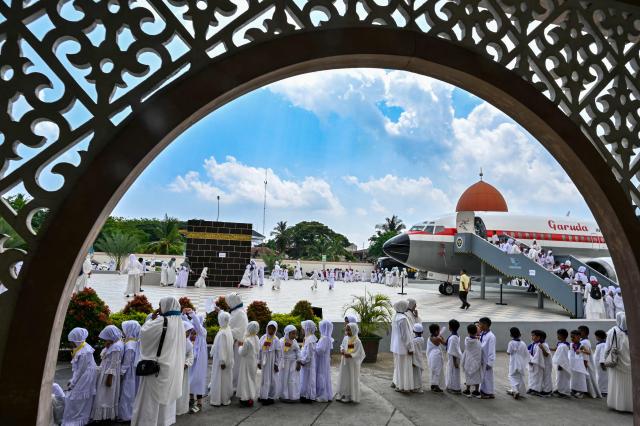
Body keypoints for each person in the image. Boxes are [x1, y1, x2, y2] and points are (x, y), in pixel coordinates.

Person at [131, 297, 185, 426]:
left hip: (156, 369)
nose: (159, 309)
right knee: (165, 402)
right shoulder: (179, 323)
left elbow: (143, 333)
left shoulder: (161, 321)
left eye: (160, 306)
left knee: (150, 402)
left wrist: (151, 319)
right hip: (171, 368)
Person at [63, 328, 97, 426]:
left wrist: (73, 383)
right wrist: (72, 380)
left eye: (72, 341)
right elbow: (78, 369)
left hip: (86, 376)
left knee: (77, 398)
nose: (70, 344)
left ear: (77, 340)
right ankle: (75, 418)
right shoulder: (81, 347)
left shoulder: (84, 351)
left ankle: (76, 420)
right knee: (78, 398)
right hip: (84, 374)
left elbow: (81, 370)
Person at [92, 325, 123, 421]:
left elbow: (114, 363)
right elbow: (105, 356)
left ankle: (103, 416)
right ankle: (103, 415)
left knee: (104, 394)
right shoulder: (114, 344)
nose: (105, 340)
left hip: (109, 374)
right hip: (106, 371)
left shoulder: (116, 347)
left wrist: (109, 377)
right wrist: (107, 346)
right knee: (104, 394)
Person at [605, 312, 632, 412]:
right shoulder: (635, 330)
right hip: (632, 366)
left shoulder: (613, 331)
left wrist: (604, 360)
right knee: (630, 385)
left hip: (617, 364)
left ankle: (617, 404)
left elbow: (607, 348)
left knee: (617, 385)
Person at [183, 310, 207, 414]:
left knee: (198, 380)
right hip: (191, 360)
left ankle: (200, 402)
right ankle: (191, 399)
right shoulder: (190, 333)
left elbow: (196, 324)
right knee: (190, 379)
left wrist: (192, 313)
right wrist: (183, 314)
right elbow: (186, 323)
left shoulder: (202, 332)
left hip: (199, 362)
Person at [335, 322, 365, 403]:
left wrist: (351, 355)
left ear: (354, 330)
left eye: (349, 330)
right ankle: (342, 393)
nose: (347, 332)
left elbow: (360, 353)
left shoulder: (357, 341)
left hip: (352, 363)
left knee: (350, 378)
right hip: (344, 362)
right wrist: (341, 349)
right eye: (346, 330)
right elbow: (342, 345)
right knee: (343, 377)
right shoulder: (346, 338)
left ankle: (349, 395)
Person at [209, 311, 234, 407]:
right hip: (226, 359)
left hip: (221, 360)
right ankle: (224, 397)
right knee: (225, 379)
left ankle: (218, 399)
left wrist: (222, 361)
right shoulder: (227, 329)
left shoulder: (223, 332)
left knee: (219, 379)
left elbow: (222, 348)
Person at [118, 320, 141, 422]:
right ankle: (131, 414)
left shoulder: (130, 344)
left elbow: (127, 362)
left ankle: (126, 415)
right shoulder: (135, 342)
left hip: (129, 372)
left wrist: (121, 372)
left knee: (127, 393)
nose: (123, 332)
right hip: (133, 371)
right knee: (132, 392)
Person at [391, 301, 414, 392]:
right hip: (403, 347)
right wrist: (410, 347)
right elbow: (406, 335)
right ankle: (403, 386)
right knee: (405, 367)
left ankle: (397, 383)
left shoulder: (395, 317)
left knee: (398, 366)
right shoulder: (403, 319)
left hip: (396, 346)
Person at [227, 293, 248, 392]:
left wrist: (226, 331)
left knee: (236, 365)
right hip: (235, 342)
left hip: (238, 344)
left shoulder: (239, 313)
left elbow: (240, 329)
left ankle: (234, 384)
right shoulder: (236, 311)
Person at [258, 320, 282, 405]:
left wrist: (276, 364)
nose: (271, 330)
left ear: (275, 330)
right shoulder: (263, 338)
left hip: (271, 362)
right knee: (264, 379)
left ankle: (270, 396)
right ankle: (263, 395)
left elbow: (279, 353)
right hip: (264, 360)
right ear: (267, 328)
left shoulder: (276, 340)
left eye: (273, 329)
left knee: (271, 379)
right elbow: (259, 350)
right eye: (269, 328)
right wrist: (259, 361)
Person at [237, 321, 260, 407]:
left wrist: (240, 346)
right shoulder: (256, 338)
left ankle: (245, 398)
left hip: (246, 362)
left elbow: (242, 352)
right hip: (253, 361)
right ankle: (251, 397)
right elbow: (258, 350)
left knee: (245, 380)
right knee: (252, 379)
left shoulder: (247, 340)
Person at [279, 324, 301, 403]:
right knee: (284, 379)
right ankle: (284, 395)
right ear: (287, 333)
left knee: (292, 379)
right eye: (293, 333)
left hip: (293, 363)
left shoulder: (294, 342)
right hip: (284, 363)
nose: (294, 335)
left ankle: (292, 395)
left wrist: (298, 361)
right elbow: (279, 353)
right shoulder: (281, 341)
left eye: (295, 333)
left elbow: (298, 351)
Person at [578, 325, 602, 398]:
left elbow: (586, 355)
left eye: (580, 331)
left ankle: (586, 392)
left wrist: (584, 366)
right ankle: (589, 391)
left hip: (586, 363)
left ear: (584, 333)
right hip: (587, 363)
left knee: (586, 378)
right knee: (589, 378)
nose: (578, 333)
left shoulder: (584, 342)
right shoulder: (585, 341)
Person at [176, 321, 194, 416]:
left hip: (184, 369)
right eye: (187, 331)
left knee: (183, 388)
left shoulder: (189, 343)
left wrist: (186, 364)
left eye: (189, 332)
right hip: (175, 369)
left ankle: (181, 407)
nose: (188, 334)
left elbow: (191, 356)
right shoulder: (175, 341)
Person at [506, 327, 528, 399]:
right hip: (521, 362)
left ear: (511, 335)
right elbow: (526, 354)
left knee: (511, 376)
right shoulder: (523, 343)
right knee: (520, 377)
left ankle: (515, 390)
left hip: (514, 362)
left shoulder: (511, 343)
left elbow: (509, 352)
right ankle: (522, 392)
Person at [299, 320, 318, 403]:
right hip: (306, 362)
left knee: (308, 378)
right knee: (305, 378)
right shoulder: (307, 338)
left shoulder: (310, 339)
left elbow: (309, 353)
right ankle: (304, 394)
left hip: (308, 363)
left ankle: (308, 395)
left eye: (303, 328)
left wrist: (303, 361)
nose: (302, 330)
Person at [461, 324, 482, 398]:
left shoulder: (466, 340)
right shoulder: (478, 342)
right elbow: (479, 350)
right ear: (477, 332)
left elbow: (471, 338)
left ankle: (467, 390)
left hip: (468, 360)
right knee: (477, 375)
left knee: (468, 375)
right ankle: (476, 391)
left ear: (468, 331)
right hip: (476, 361)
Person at [316, 320, 334, 402]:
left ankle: (322, 394)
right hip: (325, 359)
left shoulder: (324, 338)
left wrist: (314, 347)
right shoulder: (328, 338)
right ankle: (326, 393)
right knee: (325, 375)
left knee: (321, 374)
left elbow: (320, 350)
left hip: (322, 359)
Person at [478, 317, 496, 399]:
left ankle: (489, 392)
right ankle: (483, 390)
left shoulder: (491, 336)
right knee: (483, 376)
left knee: (488, 377)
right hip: (482, 359)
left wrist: (490, 362)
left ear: (485, 324)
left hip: (487, 360)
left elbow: (491, 350)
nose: (479, 325)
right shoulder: (482, 334)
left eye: (480, 324)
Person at [552, 329, 571, 398]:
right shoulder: (560, 344)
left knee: (563, 378)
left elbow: (563, 357)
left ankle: (564, 392)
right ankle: (559, 389)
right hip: (559, 364)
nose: (557, 336)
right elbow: (556, 349)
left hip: (562, 365)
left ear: (562, 336)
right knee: (559, 378)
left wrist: (561, 365)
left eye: (558, 335)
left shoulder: (564, 346)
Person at [569, 329, 588, 398]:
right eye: (571, 337)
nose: (572, 339)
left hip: (579, 365)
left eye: (573, 337)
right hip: (572, 363)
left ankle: (581, 391)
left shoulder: (581, 345)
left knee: (580, 378)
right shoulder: (571, 344)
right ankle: (573, 390)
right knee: (573, 378)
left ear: (579, 337)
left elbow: (588, 352)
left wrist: (581, 351)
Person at [527, 330, 546, 397]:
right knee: (531, 376)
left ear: (538, 337)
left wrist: (532, 361)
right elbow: (528, 351)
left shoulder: (539, 345)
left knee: (537, 377)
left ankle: (537, 390)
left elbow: (538, 356)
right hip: (532, 363)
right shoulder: (532, 344)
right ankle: (531, 388)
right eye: (532, 335)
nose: (532, 337)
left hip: (537, 364)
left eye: (533, 335)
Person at [427, 323, 445, 392]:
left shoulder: (430, 337)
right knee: (437, 371)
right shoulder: (437, 338)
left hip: (432, 356)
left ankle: (433, 384)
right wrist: (441, 337)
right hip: (436, 356)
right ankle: (436, 385)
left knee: (433, 370)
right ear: (436, 331)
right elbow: (445, 343)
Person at [445, 319, 462, 394]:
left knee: (452, 372)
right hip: (453, 358)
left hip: (453, 359)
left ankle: (454, 388)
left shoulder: (453, 338)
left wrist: (455, 362)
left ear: (450, 327)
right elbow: (448, 344)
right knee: (454, 372)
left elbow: (453, 351)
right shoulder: (455, 335)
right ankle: (455, 387)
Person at [411, 323, 426, 393]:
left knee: (415, 374)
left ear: (413, 331)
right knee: (419, 373)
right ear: (422, 332)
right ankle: (419, 387)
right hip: (420, 357)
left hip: (415, 358)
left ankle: (416, 387)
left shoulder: (414, 341)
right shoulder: (422, 339)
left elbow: (412, 350)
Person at [594, 329, 608, 397]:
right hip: (598, 365)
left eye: (596, 336)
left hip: (601, 365)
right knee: (600, 377)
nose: (596, 338)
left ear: (599, 336)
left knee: (602, 378)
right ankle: (601, 390)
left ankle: (604, 391)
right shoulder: (600, 344)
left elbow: (602, 354)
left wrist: (602, 363)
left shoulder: (603, 344)